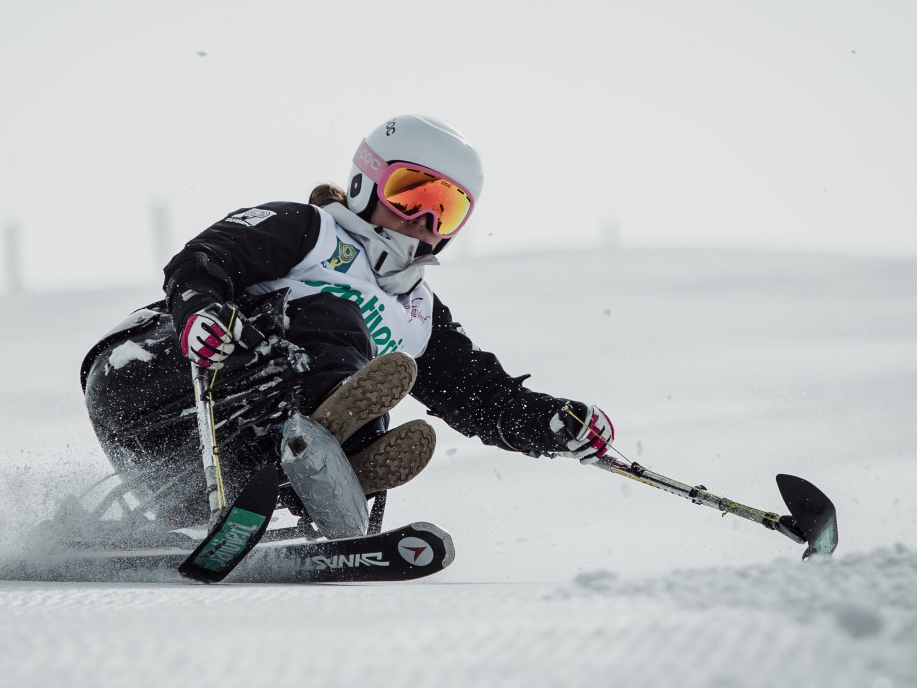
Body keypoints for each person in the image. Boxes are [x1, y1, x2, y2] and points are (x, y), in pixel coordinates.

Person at [80, 114, 613, 531]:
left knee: (381, 384)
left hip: (214, 462)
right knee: (337, 320)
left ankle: (336, 469)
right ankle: (329, 446)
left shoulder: (420, 316)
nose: (422, 220)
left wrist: (552, 425)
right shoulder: (311, 230)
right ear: (367, 181)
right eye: (412, 193)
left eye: (444, 210)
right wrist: (202, 312)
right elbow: (203, 260)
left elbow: (481, 397)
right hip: (151, 375)